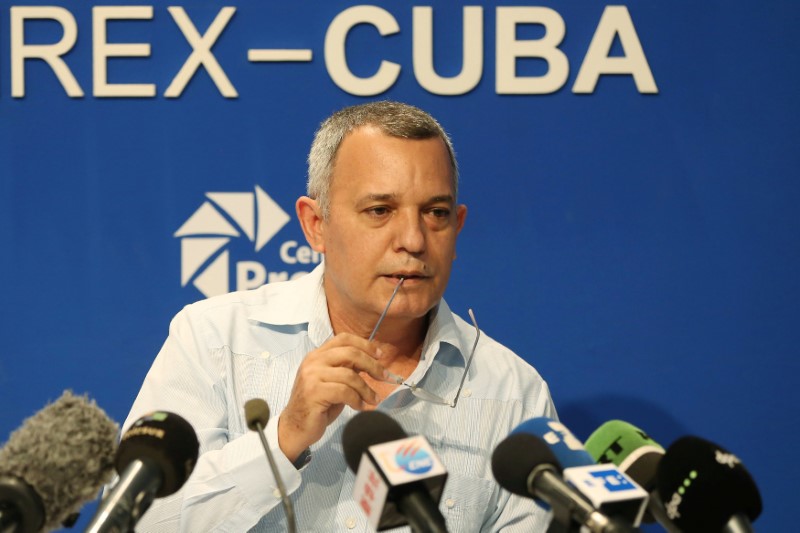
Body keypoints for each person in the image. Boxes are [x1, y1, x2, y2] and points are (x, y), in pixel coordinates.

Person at [122, 101, 557, 532]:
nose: (413, 239)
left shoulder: (514, 393)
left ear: (457, 228)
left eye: (435, 213)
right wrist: (283, 436)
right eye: (380, 211)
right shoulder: (214, 340)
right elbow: (137, 522)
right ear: (316, 225)